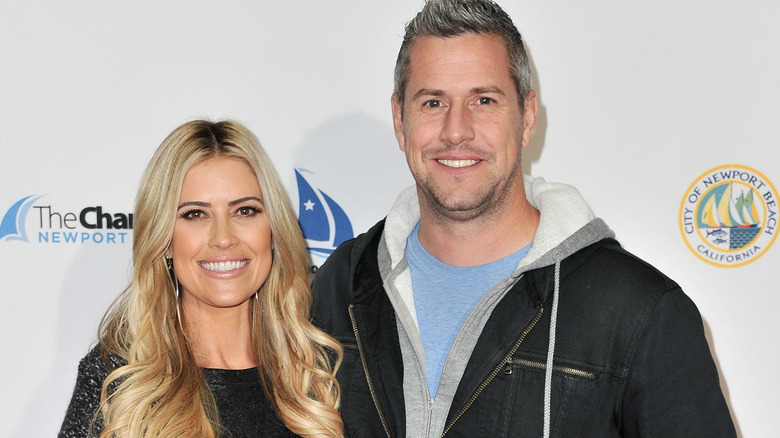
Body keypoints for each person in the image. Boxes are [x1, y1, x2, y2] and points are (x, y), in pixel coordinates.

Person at [312, 0, 736, 437]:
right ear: (400, 121)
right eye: (434, 101)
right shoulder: (338, 287)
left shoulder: (641, 312)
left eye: (484, 99)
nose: (457, 130)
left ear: (527, 117)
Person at [59, 120, 343, 438]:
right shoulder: (120, 379)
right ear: (164, 240)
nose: (224, 238)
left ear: (274, 231)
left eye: (245, 211)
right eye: (195, 214)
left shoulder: (322, 371)